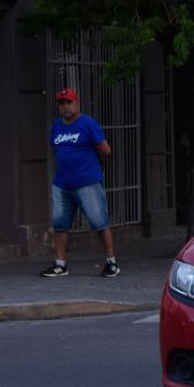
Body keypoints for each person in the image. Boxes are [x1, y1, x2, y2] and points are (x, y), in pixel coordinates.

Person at [42, 88, 120, 277]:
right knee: (60, 224)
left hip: (87, 182)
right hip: (62, 184)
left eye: (69, 102)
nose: (65, 107)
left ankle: (111, 262)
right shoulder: (56, 126)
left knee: (99, 221)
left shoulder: (88, 124)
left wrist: (93, 167)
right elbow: (57, 150)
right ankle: (60, 264)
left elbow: (105, 150)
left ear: (76, 104)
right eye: (61, 103)